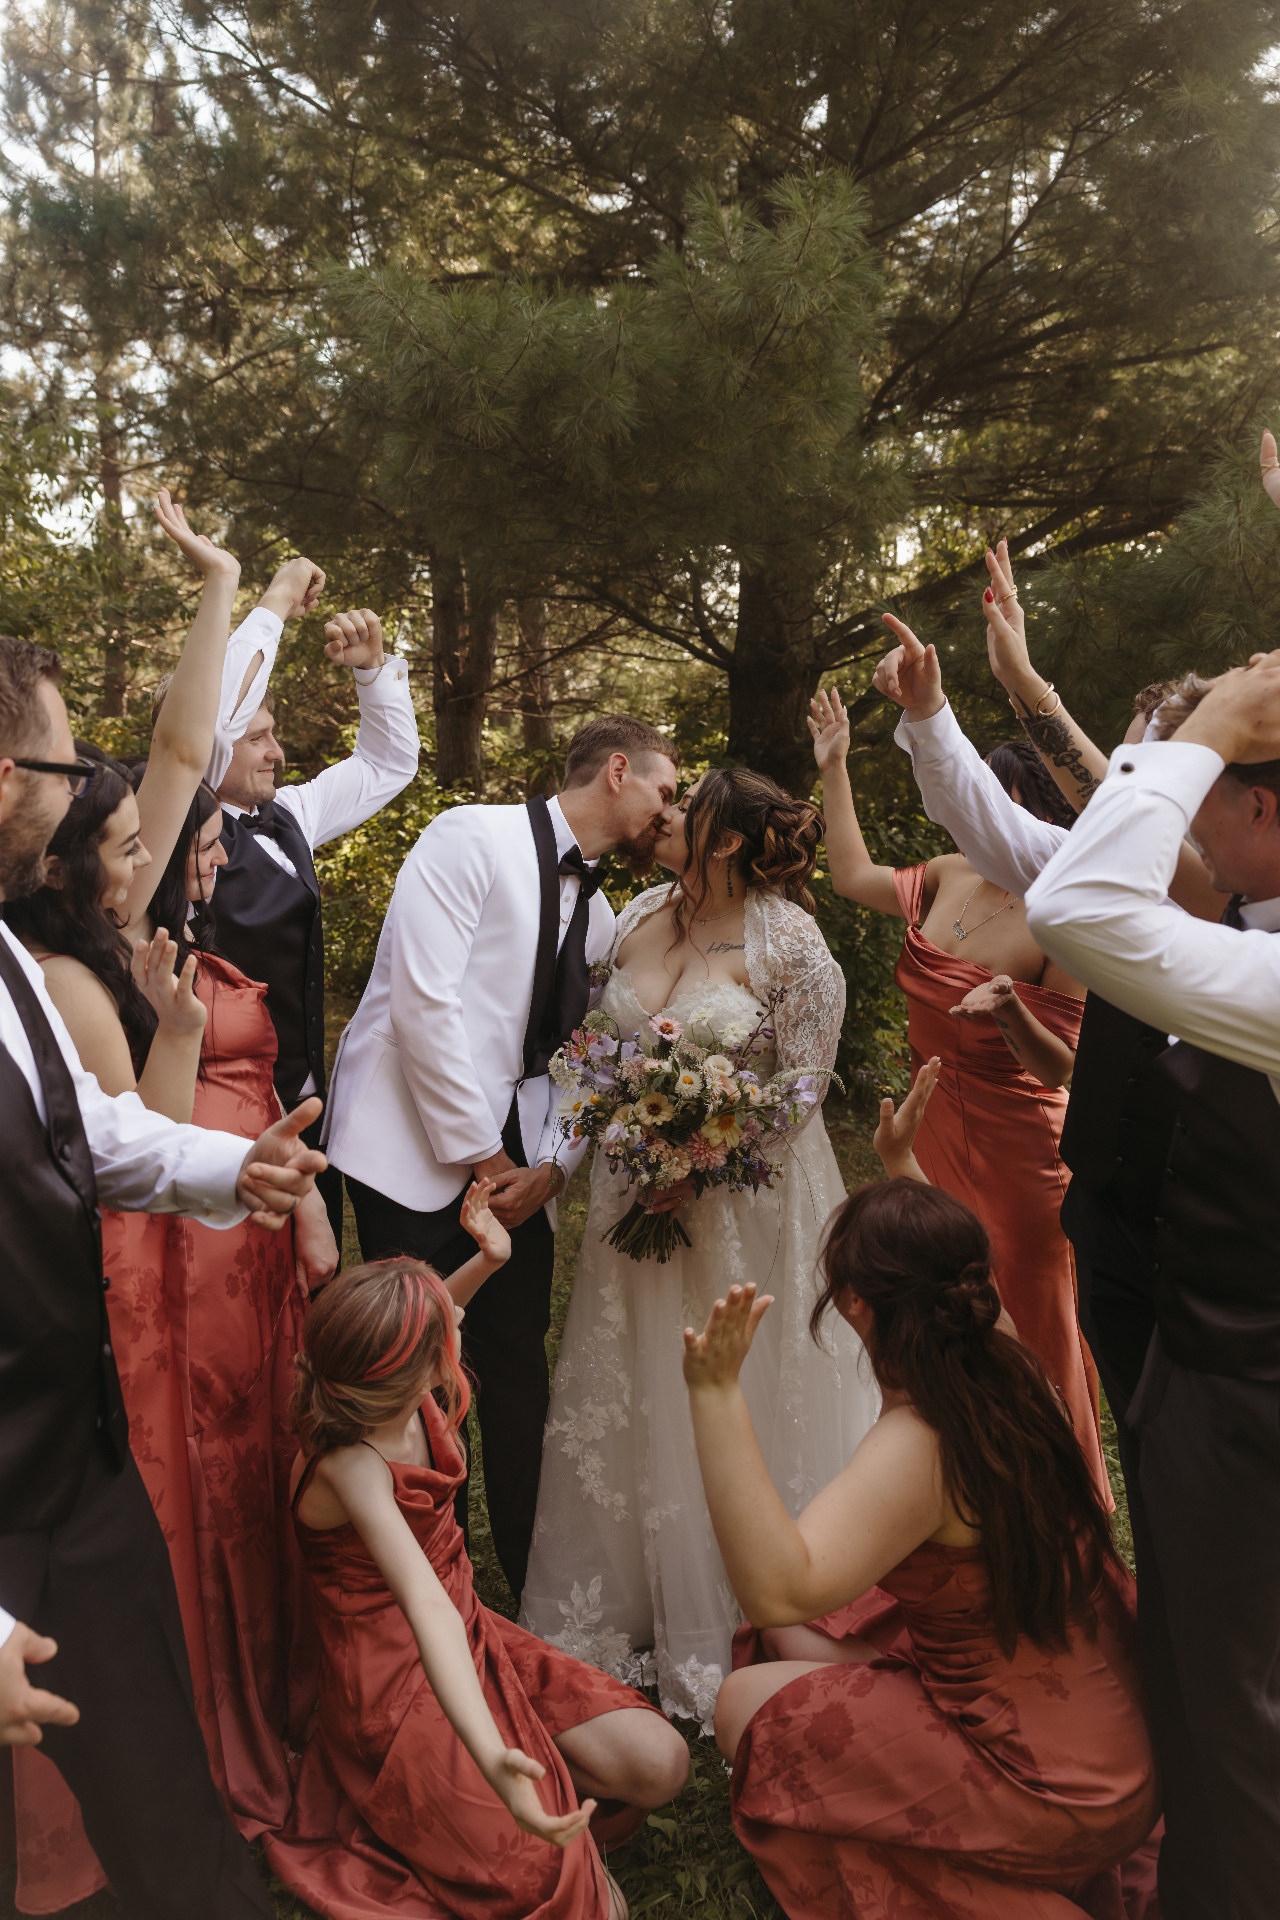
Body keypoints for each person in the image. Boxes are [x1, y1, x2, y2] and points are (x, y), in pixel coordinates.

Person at [0, 629, 323, 1920]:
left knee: (178, 1832)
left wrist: (224, 1169)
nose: (75, 783)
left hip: (76, 1484)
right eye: (59, 759)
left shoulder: (12, 961)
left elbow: (84, 1126)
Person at [682, 1140, 1160, 1916]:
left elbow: (776, 1586)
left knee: (741, 1703)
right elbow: (972, 1270)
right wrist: (902, 1163)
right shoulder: (1009, 1361)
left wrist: (714, 1395)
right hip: (1121, 1745)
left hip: (1055, 1789)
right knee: (796, 1639)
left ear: (854, 1305)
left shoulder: (919, 1446)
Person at [520, 767, 879, 1729]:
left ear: (724, 839)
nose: (664, 818)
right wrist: (600, 1134)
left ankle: (746, 1588)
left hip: (735, 1213)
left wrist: (711, 1151)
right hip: (631, 1200)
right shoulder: (637, 910)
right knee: (629, 1389)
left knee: (732, 1390)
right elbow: (598, 1052)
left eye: (686, 810)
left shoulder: (790, 941)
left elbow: (805, 1088)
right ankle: (629, 1594)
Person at [1021, 644, 1280, 1920]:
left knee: (1241, 1719)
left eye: (1210, 787)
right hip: (1202, 1382)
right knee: (1200, 1682)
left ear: (1258, 804)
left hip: (1251, 1415)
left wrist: (1213, 719)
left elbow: (1077, 909)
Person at [325, 714, 680, 1603]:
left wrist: (553, 1166)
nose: (668, 812)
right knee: (416, 1377)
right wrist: (483, 1157)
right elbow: (423, 1006)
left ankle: (532, 1588)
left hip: (519, 1174)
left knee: (517, 1373)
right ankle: (420, 1587)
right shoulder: (468, 835)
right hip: (410, 1151)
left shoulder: (600, 915)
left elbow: (576, 1058)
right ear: (619, 770)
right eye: (666, 792)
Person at [269, 1189, 689, 1920]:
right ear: (429, 1366)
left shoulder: (388, 1390)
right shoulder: (354, 1466)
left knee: (663, 1764)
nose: (461, 1317)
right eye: (448, 1325)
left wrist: (490, 1258)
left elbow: (433, 1319)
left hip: (472, 1633)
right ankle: (488, 1799)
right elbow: (426, 1609)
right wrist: (488, 1753)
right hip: (396, 1688)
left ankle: (519, 1796)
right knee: (550, 1888)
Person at [807, 682, 1108, 1495]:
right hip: (928, 1131)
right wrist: (833, 766)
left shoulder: (1067, 915)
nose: (980, 828)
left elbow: (1063, 1068)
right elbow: (851, 876)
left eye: (1000, 811)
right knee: (931, 1314)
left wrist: (1010, 1010)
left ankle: (1059, 1506)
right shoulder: (947, 873)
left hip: (1020, 1154)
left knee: (1029, 1336)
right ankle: (957, 1503)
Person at [209, 595, 420, 1241]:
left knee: (312, 1294)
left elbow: (388, 764)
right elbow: (207, 718)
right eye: (256, 737)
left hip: (306, 1100)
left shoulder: (290, 814)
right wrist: (273, 600)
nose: (276, 750)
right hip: (221, 1108)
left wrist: (371, 672)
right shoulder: (171, 830)